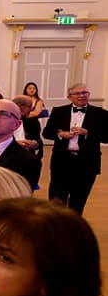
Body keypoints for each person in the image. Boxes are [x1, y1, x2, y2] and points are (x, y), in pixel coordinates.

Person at [43, 83, 108, 215]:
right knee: (56, 202)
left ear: (89, 95)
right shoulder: (59, 111)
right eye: (77, 93)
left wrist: (88, 133)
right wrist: (60, 134)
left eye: (84, 93)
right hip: (61, 162)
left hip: (87, 163)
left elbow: (107, 137)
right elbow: (47, 133)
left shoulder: (101, 113)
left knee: (78, 203)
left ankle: (73, 232)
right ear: (69, 97)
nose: (81, 96)